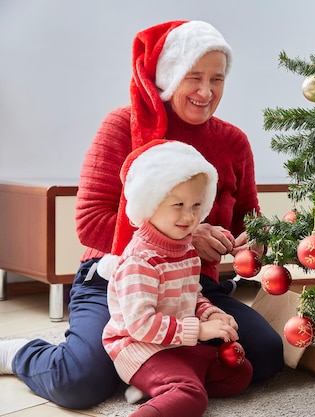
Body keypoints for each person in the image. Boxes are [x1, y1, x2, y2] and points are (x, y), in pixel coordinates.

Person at [0, 20, 284, 409]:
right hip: (117, 279)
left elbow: (247, 221)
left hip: (192, 287)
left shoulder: (233, 141)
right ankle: (18, 354)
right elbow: (90, 221)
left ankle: (156, 373)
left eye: (217, 79)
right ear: (169, 76)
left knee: (264, 355)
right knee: (79, 382)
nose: (206, 91)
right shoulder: (122, 125)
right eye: (194, 77)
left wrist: (255, 240)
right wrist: (187, 236)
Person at [101, 139, 252, 417]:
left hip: (176, 343)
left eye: (196, 205)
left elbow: (192, 296)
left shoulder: (185, 249)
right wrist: (200, 331)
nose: (189, 216)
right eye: (178, 204)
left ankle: (161, 387)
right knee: (191, 396)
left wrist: (211, 315)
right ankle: (168, 388)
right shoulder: (140, 260)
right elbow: (141, 326)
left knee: (239, 371)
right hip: (141, 348)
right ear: (151, 202)